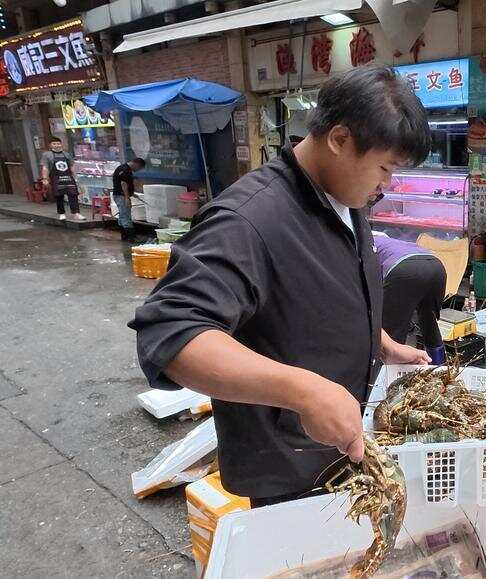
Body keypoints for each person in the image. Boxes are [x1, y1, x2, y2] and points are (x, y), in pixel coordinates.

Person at [128, 67, 433, 507]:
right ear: (340, 139)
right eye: (385, 168)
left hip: (340, 449)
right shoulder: (248, 220)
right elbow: (173, 334)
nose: (388, 184)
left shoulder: (342, 196)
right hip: (289, 464)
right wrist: (304, 391)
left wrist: (380, 342)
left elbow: (316, 296)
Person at [373, 231, 447, 364]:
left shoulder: (363, 242)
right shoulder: (390, 242)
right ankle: (439, 365)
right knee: (429, 320)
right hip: (436, 266)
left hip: (405, 269)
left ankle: (388, 375)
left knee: (390, 336)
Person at [40, 137, 85, 221]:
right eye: (54, 144)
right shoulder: (47, 155)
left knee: (73, 195)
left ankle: (76, 213)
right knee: (59, 196)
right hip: (56, 178)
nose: (57, 145)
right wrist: (45, 178)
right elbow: (45, 167)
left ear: (61, 144)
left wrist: (75, 177)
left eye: (58, 143)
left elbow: (72, 166)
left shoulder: (66, 154)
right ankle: (61, 213)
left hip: (68, 177)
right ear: (50, 145)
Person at [112, 157, 146, 241]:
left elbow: (125, 184)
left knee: (122, 216)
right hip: (121, 196)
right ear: (137, 164)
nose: (138, 170)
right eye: (139, 168)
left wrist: (132, 193)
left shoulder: (124, 168)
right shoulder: (126, 170)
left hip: (119, 195)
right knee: (126, 216)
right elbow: (123, 184)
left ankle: (124, 236)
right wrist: (127, 197)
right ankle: (131, 237)